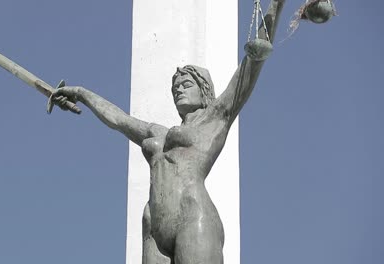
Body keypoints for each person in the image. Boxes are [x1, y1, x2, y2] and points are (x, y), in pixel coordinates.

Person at [50, 1, 285, 263]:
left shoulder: (216, 117)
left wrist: (276, 6)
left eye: (185, 84)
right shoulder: (157, 132)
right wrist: (81, 93)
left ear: (204, 89)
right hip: (153, 223)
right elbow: (117, 119)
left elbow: (252, 64)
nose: (178, 90)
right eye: (175, 88)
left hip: (192, 214)